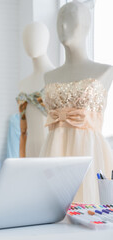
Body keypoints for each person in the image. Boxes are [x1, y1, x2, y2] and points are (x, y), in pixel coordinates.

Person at [40, 1, 113, 204]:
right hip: (54, 152)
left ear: (86, 26)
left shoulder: (105, 71)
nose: (63, 27)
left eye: (71, 21)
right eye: (60, 21)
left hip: (90, 152)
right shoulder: (49, 76)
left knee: (91, 212)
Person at [17, 22, 55, 157]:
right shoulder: (23, 83)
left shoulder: (57, 77)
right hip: (29, 148)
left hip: (52, 148)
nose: (30, 42)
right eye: (26, 38)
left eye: (36, 36)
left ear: (46, 40)